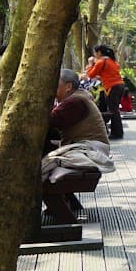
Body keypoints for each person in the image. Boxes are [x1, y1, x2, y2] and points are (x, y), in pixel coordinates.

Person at [44, 68, 111, 222]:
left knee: (44, 157)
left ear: (68, 86)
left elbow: (50, 120)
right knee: (48, 150)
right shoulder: (78, 97)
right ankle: (65, 202)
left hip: (91, 149)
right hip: (90, 147)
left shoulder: (74, 101)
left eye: (56, 84)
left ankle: (58, 204)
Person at [83, 44, 126, 140]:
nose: (94, 55)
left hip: (112, 87)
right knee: (114, 110)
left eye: (95, 53)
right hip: (119, 86)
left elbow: (90, 74)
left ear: (99, 52)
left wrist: (90, 64)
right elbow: (107, 73)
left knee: (113, 110)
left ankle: (117, 133)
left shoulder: (101, 61)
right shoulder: (112, 61)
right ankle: (117, 132)